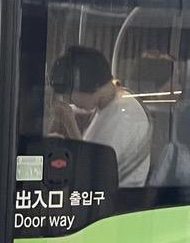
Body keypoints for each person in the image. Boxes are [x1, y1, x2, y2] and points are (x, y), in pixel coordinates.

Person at [48, 46, 152, 187]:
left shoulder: (124, 118)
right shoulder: (111, 101)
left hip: (117, 200)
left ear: (93, 87)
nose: (69, 101)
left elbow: (90, 175)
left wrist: (70, 125)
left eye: (70, 95)